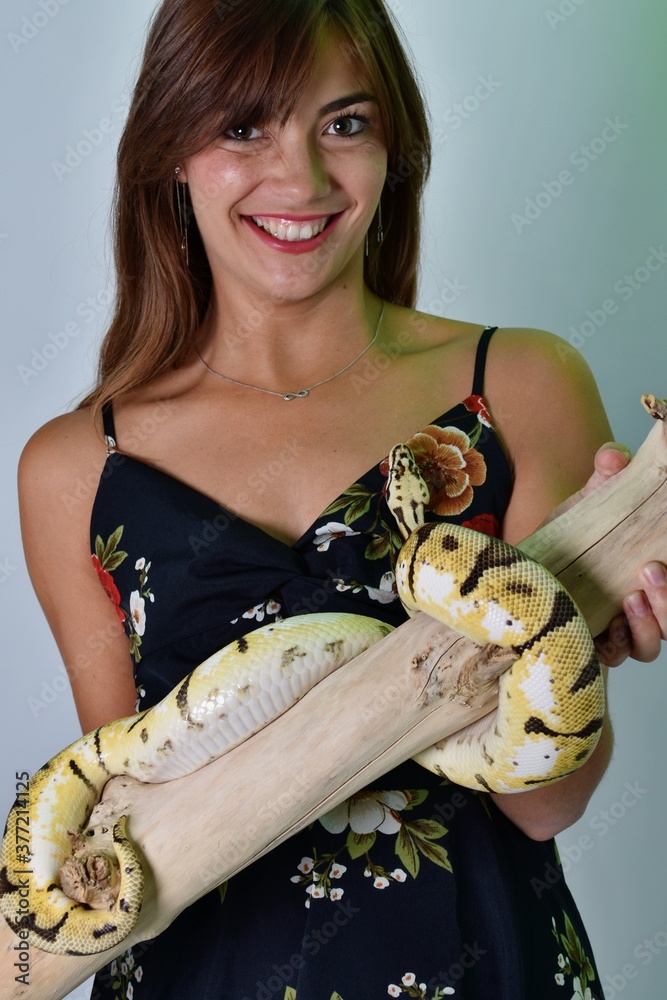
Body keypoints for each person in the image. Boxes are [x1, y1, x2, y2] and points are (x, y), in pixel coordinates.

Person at [18, 1, 666, 997]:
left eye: (344, 123)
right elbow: (119, 819)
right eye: (243, 127)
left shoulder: (525, 385)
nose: (303, 178)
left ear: (393, 145)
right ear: (168, 152)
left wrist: (585, 636)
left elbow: (545, 806)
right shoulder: (74, 469)